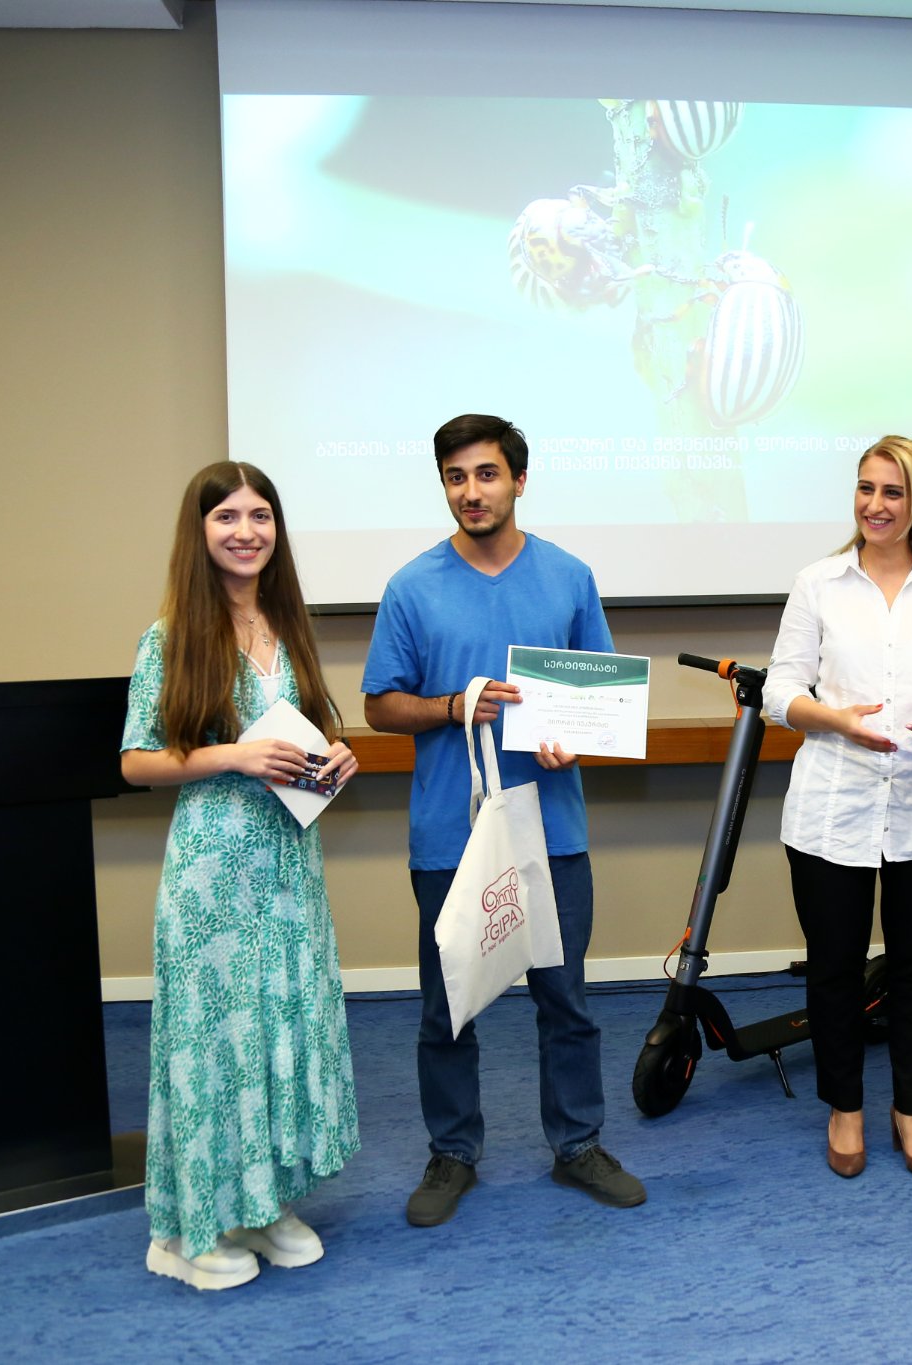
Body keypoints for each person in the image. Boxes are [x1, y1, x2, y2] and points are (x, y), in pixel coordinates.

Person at [362, 413, 645, 1227]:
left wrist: (575, 743)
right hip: (450, 834)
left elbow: (600, 700)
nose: (471, 491)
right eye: (455, 477)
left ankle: (578, 1143)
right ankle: (453, 1151)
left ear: (519, 480)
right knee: (447, 1006)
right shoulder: (412, 586)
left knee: (566, 1000)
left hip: (551, 830)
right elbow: (381, 705)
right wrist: (452, 705)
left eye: (486, 474)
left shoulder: (568, 577)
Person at [120, 461, 362, 1291]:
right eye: (227, 516)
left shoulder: (286, 626)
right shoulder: (169, 637)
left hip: (289, 866)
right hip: (212, 873)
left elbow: (304, 730)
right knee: (214, 1045)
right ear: (200, 532)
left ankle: (258, 1203)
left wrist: (335, 755)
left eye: (261, 515)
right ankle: (184, 1230)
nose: (246, 531)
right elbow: (135, 759)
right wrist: (234, 755)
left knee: (277, 1030)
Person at [763, 437, 912, 1182]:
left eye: (892, 491)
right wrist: (836, 719)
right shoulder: (818, 583)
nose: (875, 504)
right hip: (833, 804)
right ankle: (846, 1108)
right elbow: (778, 692)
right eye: (866, 488)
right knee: (833, 966)